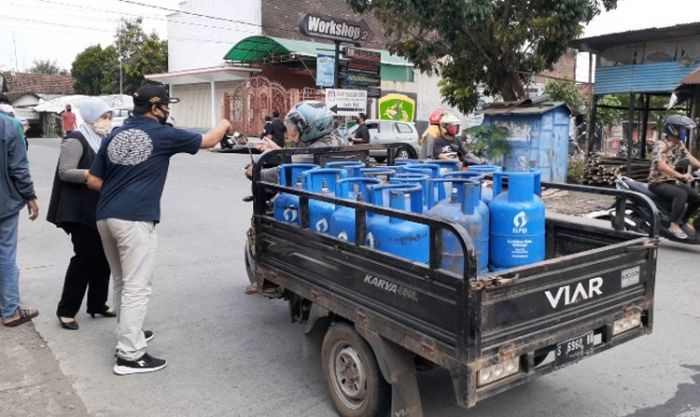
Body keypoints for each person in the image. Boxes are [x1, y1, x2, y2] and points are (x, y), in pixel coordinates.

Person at [86, 84, 232, 375]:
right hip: (135, 219)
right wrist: (226, 122)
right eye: (165, 105)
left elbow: (92, 179)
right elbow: (210, 140)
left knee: (122, 282)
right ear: (154, 108)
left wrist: (119, 189)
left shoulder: (114, 135)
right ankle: (129, 355)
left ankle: (129, 334)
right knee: (137, 286)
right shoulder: (162, 134)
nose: (167, 110)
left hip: (105, 217)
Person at [243, 101, 341, 295]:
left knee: (269, 225)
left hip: (311, 202)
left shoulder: (314, 151)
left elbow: (284, 172)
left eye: (297, 129)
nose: (293, 133)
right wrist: (276, 149)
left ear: (312, 127)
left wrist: (254, 172)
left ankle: (271, 274)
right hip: (333, 198)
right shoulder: (335, 141)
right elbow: (292, 158)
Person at [47, 98, 115, 330]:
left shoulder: (103, 139)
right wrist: (90, 174)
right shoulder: (75, 139)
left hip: (99, 207)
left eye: (109, 117)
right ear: (91, 117)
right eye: (103, 117)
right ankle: (66, 310)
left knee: (104, 256)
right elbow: (65, 172)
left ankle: (97, 304)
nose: (107, 122)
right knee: (84, 257)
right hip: (78, 210)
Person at [1, 103, 40, 327]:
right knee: (5, 255)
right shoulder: (9, 125)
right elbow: (18, 168)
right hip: (4, 204)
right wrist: (30, 197)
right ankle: (10, 312)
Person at [647, 115, 700, 240]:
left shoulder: (678, 144)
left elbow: (689, 158)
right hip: (657, 182)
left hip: (670, 181)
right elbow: (661, 166)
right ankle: (674, 224)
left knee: (696, 198)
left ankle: (682, 221)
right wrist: (681, 176)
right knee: (681, 194)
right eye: (682, 129)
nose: (684, 132)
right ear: (673, 129)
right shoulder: (661, 145)